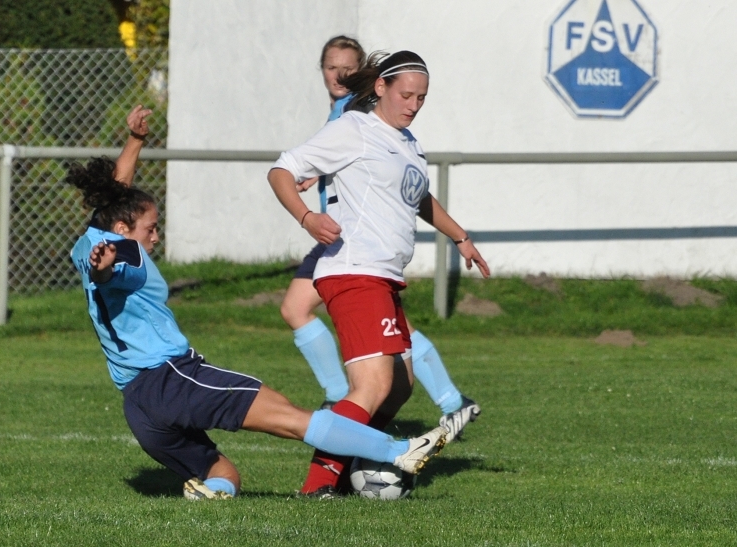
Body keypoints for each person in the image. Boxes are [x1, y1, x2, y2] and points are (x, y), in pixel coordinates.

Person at [67, 105, 447, 501]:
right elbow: (114, 269)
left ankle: (209, 495)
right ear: (124, 229)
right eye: (152, 228)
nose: (156, 237)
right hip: (172, 379)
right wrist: (105, 271)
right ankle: (399, 451)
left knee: (224, 472)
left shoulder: (90, 241)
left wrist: (136, 140)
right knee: (291, 417)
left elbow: (118, 196)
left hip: (139, 407)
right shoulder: (126, 253)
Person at [269, 50, 490, 497]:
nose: (413, 104)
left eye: (422, 97)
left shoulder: (406, 142)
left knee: (399, 388)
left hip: (384, 276)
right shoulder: (354, 129)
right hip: (354, 271)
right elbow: (282, 170)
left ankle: (351, 466)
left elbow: (420, 197)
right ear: (380, 87)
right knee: (372, 385)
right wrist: (307, 218)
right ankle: (318, 486)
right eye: (406, 94)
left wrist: (459, 236)